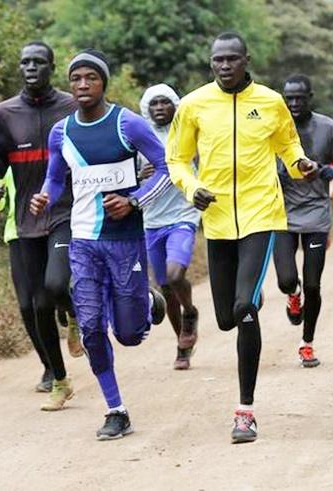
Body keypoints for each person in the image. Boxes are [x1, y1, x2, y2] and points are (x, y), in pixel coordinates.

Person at [167, 32, 318, 443]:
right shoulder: (194, 105)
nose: (225, 66)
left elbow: (288, 145)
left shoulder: (270, 102)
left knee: (244, 311)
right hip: (215, 219)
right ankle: (246, 298)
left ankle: (245, 412)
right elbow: (177, 160)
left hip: (260, 215)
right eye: (218, 60)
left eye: (232, 59)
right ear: (211, 62)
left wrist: (300, 162)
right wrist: (189, 187)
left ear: (246, 60)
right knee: (225, 318)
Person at [30, 49, 169, 440]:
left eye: (90, 77)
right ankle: (116, 410)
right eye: (76, 79)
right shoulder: (62, 132)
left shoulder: (127, 124)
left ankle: (147, 301)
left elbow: (167, 167)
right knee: (90, 326)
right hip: (84, 241)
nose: (82, 85)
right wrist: (43, 195)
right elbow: (56, 180)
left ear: (103, 82)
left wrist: (135, 200)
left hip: (125, 241)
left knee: (127, 334)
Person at [0, 41, 81, 411]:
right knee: (34, 306)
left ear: (52, 66)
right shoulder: (4, 113)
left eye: (38, 62)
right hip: (25, 220)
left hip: (66, 212)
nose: (31, 68)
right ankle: (58, 378)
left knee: (54, 286)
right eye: (25, 63)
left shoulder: (72, 106)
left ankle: (71, 312)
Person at [274, 74, 333, 367]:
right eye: (288, 98)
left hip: (317, 215)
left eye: (299, 98)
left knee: (314, 284)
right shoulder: (274, 128)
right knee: (286, 280)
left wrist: (324, 171)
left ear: (310, 97)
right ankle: (292, 296)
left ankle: (307, 344)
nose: (294, 103)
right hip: (280, 213)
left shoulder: (327, 128)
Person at [138, 84, 201, 370]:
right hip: (152, 221)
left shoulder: (187, 134)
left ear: (175, 106)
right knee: (164, 285)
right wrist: (141, 174)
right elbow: (127, 180)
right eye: (154, 104)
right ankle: (182, 344)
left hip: (183, 216)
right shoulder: (140, 139)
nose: (160, 108)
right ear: (147, 109)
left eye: (165, 102)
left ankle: (190, 313)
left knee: (176, 275)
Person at [0, 170, 57, 392]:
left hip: (51, 227)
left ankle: (71, 315)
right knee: (28, 305)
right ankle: (50, 367)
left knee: (54, 288)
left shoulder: (36, 144)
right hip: (18, 233)